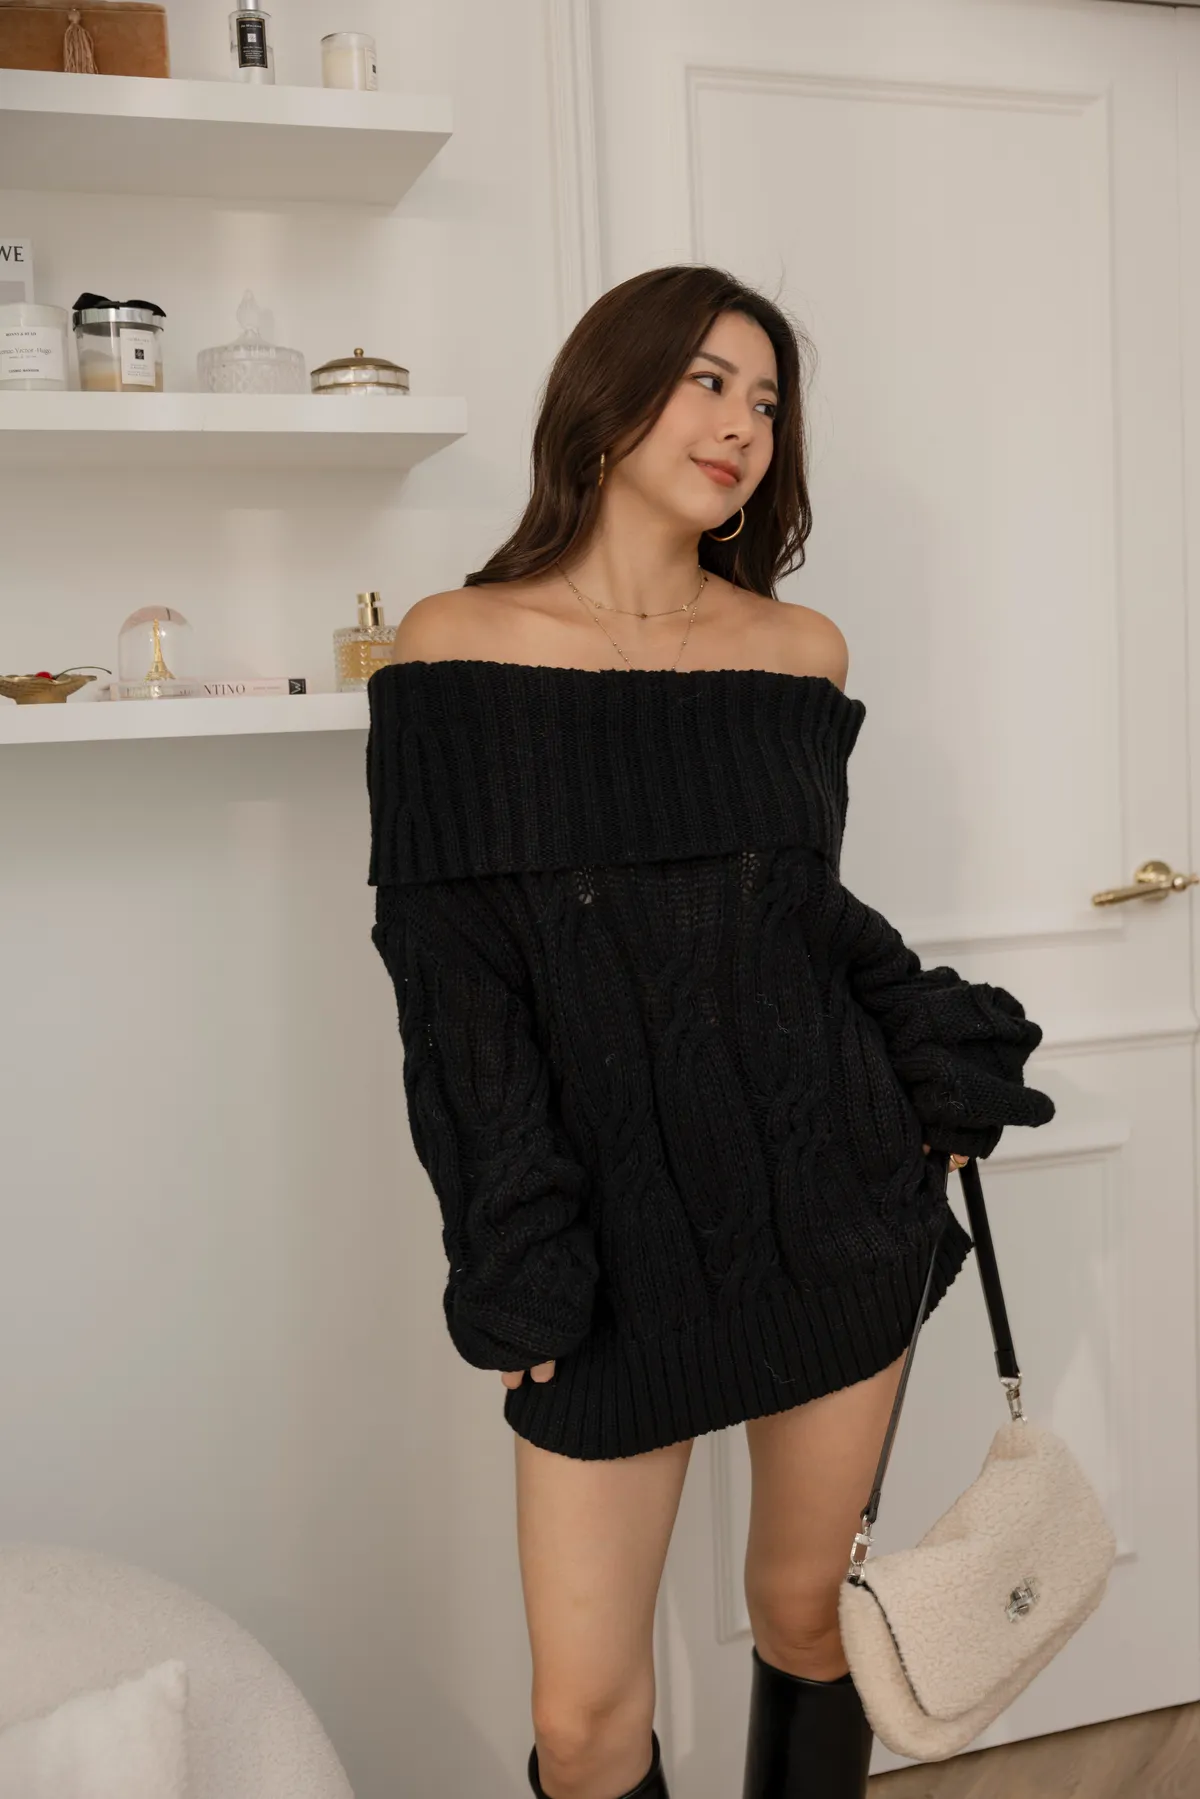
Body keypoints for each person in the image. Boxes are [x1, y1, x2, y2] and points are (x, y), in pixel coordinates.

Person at [364, 264, 1056, 1799]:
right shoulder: (454, 643)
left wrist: (928, 1070)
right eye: (705, 379)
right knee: (585, 1721)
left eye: (766, 399)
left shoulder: (799, 651)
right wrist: (518, 1259)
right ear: (606, 396)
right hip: (607, 1251)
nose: (742, 421)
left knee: (808, 1620)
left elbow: (798, 923)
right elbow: (452, 982)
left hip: (828, 1206)